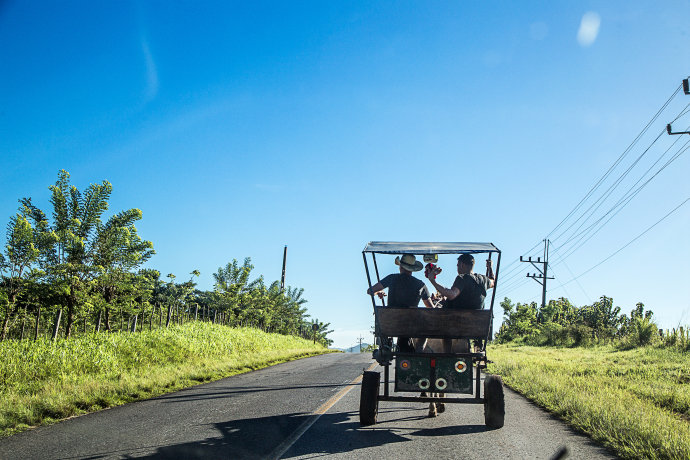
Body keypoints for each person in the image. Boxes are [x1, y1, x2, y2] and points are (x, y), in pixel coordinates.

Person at [425, 253, 495, 353]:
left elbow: (452, 294)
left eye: (457, 265)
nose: (457, 268)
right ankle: (478, 346)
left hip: (457, 324)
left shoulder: (462, 278)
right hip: (477, 325)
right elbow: (493, 281)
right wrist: (490, 268)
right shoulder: (483, 279)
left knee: (445, 323)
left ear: (462, 265)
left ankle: (447, 353)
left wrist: (433, 281)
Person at [367, 254, 433, 352]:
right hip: (410, 324)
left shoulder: (392, 278)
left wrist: (378, 292)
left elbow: (370, 291)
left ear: (400, 266)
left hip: (391, 322)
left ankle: (385, 345)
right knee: (420, 325)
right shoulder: (420, 284)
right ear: (412, 269)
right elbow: (431, 308)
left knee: (387, 322)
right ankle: (419, 348)